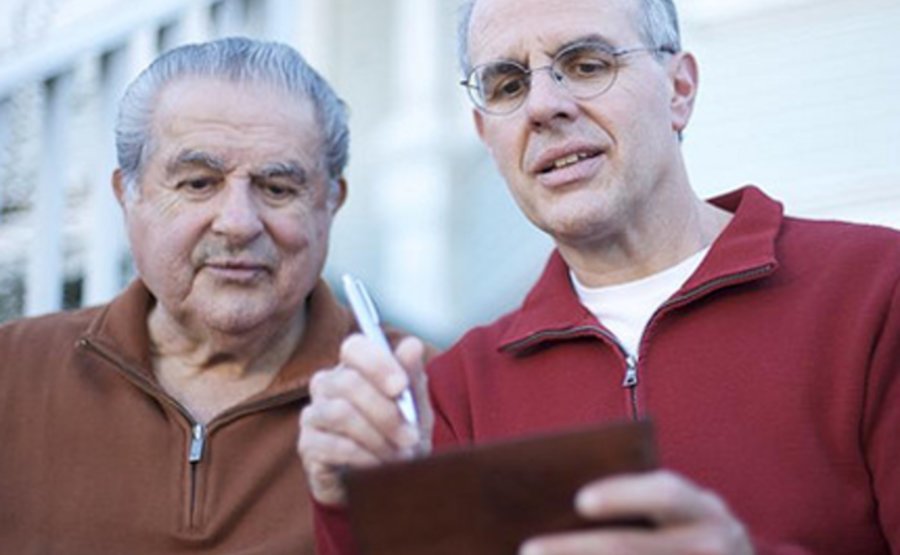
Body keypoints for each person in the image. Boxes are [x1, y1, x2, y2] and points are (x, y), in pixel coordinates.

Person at [298, 0, 900, 553]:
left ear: (679, 89)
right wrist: (352, 506)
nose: (542, 106)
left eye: (586, 65)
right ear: (487, 136)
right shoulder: (454, 393)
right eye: (507, 84)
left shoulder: (876, 290)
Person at [0, 37, 367, 554]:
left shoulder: (417, 399)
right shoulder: (12, 374)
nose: (238, 223)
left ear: (331, 204)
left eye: (278, 188)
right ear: (129, 197)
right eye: (198, 183)